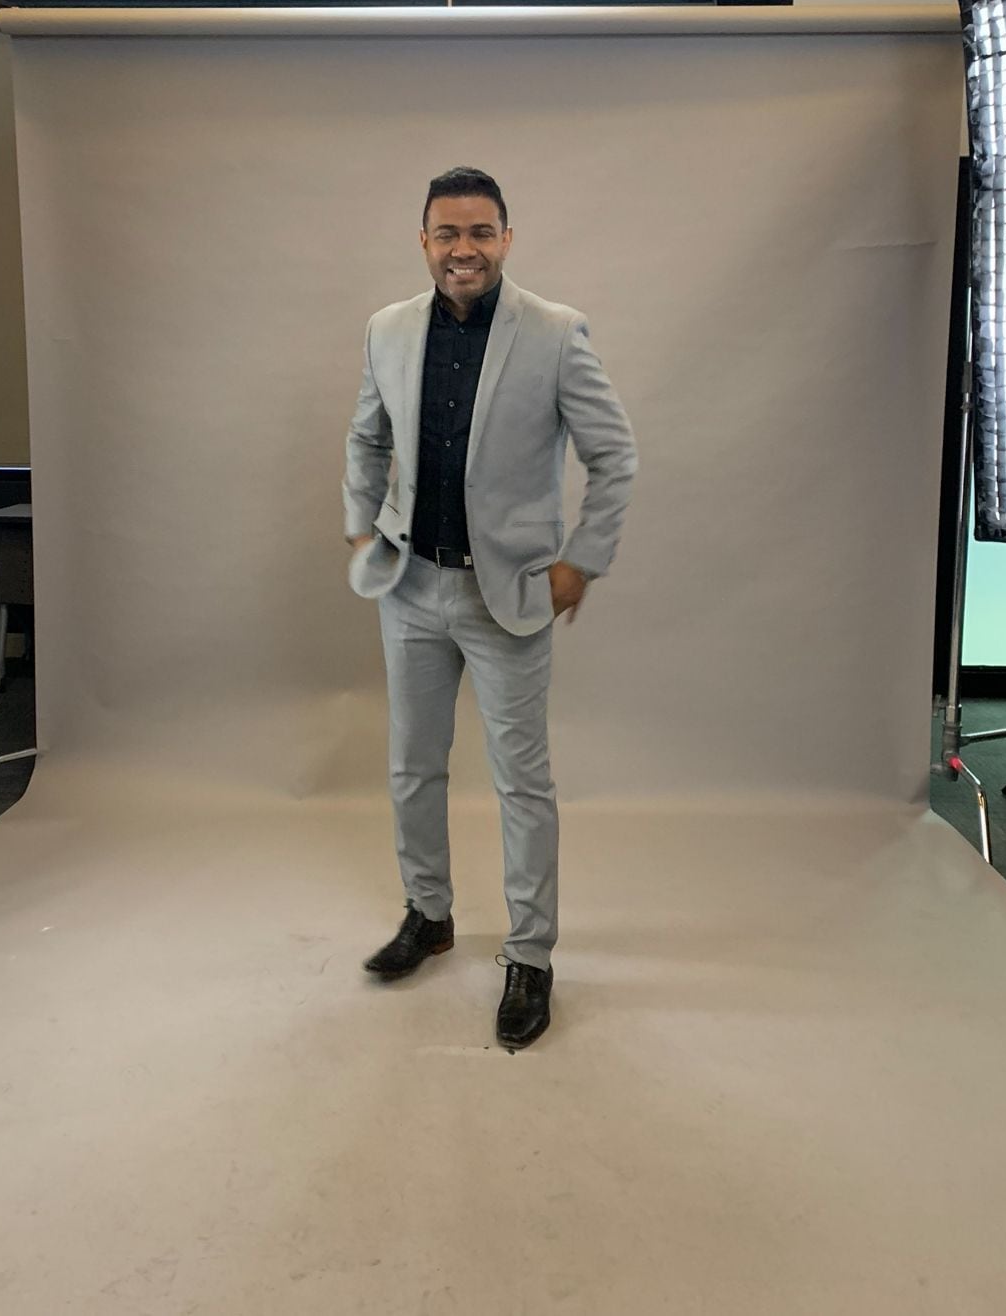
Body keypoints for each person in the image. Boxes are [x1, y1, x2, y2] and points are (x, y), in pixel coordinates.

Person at [343, 167, 637, 1049]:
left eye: (479, 232)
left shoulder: (554, 333)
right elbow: (366, 436)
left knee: (522, 784)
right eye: (446, 233)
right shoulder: (387, 329)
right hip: (410, 586)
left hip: (506, 593)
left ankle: (531, 955)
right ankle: (429, 916)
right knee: (411, 765)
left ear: (507, 238)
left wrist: (581, 562)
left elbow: (614, 455)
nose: (462, 249)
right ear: (423, 241)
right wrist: (365, 530)